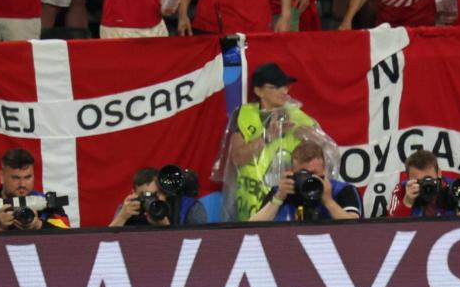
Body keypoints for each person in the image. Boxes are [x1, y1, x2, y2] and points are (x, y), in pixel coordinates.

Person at [225, 61, 321, 220]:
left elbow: (323, 157)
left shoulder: (297, 117)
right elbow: (237, 158)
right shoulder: (245, 114)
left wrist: (304, 134)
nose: (284, 91)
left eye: (285, 86)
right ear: (258, 90)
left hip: (291, 204)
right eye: (276, 86)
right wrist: (267, 137)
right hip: (253, 205)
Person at [252, 139, 363, 222]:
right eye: (304, 173)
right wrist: (278, 199)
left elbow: (356, 228)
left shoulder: (343, 191)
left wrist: (329, 201)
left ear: (324, 169)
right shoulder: (282, 191)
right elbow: (250, 229)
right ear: (292, 171)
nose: (309, 179)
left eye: (314, 174)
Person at [0, 147, 71, 231]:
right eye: (16, 178)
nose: (22, 184)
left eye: (28, 177)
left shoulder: (49, 204)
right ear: (2, 177)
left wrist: (39, 225)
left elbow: (69, 237)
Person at [389, 149, 460, 217]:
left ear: (439, 173)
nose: (425, 185)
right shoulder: (401, 190)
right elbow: (388, 230)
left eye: (429, 179)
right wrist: (407, 202)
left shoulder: (458, 188)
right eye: (419, 181)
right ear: (407, 178)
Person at [109, 166, 208, 226]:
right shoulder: (128, 209)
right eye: (146, 196)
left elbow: (201, 248)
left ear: (165, 191)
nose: (153, 200)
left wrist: (165, 228)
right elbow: (104, 248)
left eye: (156, 194)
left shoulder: (189, 207)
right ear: (134, 194)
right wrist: (122, 217)